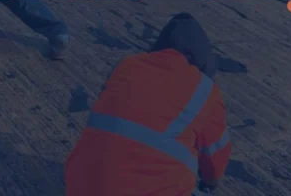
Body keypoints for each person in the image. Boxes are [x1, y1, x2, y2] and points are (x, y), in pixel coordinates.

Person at [64, 13, 231, 196]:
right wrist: (210, 184)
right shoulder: (206, 89)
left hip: (79, 187)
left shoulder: (127, 65)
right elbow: (215, 163)